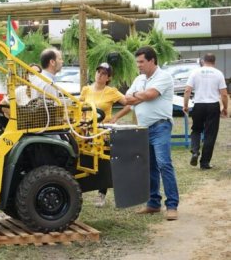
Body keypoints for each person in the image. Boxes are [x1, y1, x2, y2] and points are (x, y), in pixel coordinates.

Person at [123, 46, 179, 221]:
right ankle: (153, 204)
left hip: (160, 127)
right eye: (137, 62)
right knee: (149, 167)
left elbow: (151, 94)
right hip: (143, 128)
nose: (138, 65)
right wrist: (141, 95)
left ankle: (172, 206)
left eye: (141, 62)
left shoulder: (164, 77)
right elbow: (126, 98)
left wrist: (138, 96)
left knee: (163, 164)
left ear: (152, 60)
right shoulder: (139, 78)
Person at [80, 62, 127, 207]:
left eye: (104, 73)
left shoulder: (111, 91)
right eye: (99, 72)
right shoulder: (86, 89)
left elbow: (128, 104)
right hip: (86, 131)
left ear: (108, 77)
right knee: (84, 159)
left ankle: (101, 194)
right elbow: (80, 106)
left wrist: (115, 117)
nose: (100, 75)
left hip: (103, 131)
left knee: (104, 162)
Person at [183, 53, 228, 169]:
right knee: (210, 134)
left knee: (196, 130)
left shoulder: (195, 72)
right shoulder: (219, 74)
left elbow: (187, 90)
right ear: (214, 61)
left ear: (203, 61)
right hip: (213, 106)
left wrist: (185, 105)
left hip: (199, 104)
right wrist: (225, 108)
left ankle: (194, 151)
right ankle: (204, 163)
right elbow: (224, 94)